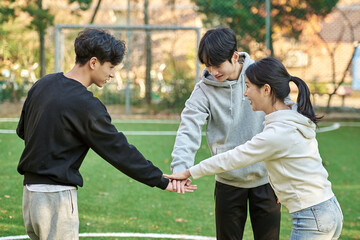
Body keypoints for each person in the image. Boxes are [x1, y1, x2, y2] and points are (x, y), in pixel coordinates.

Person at [16, 28, 196, 240]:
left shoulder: (42, 84)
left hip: (29, 196)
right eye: (110, 67)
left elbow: (23, 131)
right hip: (56, 200)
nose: (112, 74)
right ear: (93, 62)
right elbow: (119, 150)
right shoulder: (86, 105)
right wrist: (161, 180)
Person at [165, 57, 344, 239]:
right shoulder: (293, 115)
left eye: (248, 86)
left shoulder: (277, 133)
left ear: (266, 90)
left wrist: (189, 172)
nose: (245, 93)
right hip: (329, 210)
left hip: (311, 219)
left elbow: (235, 157)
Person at [170, 27, 281, 240]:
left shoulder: (260, 77)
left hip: (268, 181)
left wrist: (286, 177)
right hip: (228, 182)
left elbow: (283, 121)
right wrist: (181, 167)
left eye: (217, 65)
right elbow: (189, 128)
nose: (213, 71)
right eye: (208, 65)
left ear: (234, 56)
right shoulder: (203, 91)